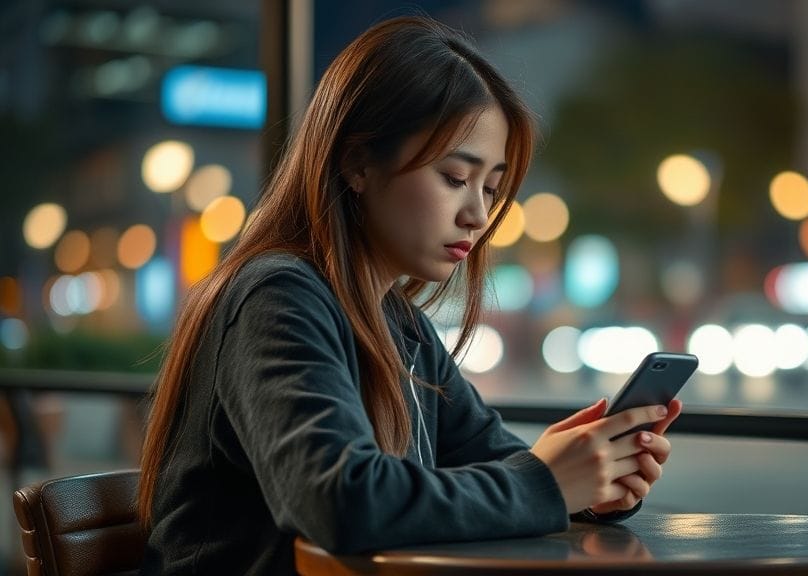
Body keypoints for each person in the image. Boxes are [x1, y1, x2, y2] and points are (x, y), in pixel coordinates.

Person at [138, 15, 683, 575]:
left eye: (491, 188)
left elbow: (491, 459)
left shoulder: (397, 323)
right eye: (454, 177)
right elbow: (340, 501)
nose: (477, 215)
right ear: (356, 163)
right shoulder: (278, 296)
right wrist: (545, 482)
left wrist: (591, 483)